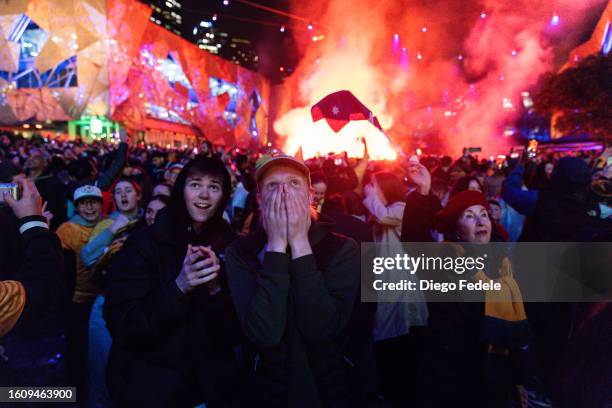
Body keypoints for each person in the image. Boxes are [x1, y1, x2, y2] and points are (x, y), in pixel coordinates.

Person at [224, 154, 361, 407]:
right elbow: (264, 333)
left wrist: (299, 243)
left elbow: (321, 329)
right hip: (266, 389)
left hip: (327, 388)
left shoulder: (342, 248)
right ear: (259, 198)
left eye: (294, 184)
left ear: (310, 196)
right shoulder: (240, 253)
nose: (284, 192)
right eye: (273, 186)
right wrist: (276, 245)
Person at [104, 156, 239, 407]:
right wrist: (179, 287)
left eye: (214, 186)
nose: (204, 195)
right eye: (196, 184)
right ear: (181, 190)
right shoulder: (144, 244)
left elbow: (234, 333)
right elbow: (123, 325)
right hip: (150, 388)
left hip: (206, 391)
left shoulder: (231, 247)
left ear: (223, 196)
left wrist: (215, 288)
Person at [403, 161, 529, 407]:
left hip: (492, 376)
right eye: (469, 217)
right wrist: (423, 192)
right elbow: (414, 240)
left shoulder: (502, 264)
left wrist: (518, 379)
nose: (480, 221)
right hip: (451, 377)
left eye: (483, 214)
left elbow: (514, 332)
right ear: (457, 230)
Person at [363, 171, 427, 405]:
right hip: (385, 282)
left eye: (374, 185)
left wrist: (370, 198)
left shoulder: (401, 208)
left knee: (401, 340)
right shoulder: (382, 210)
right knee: (386, 338)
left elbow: (385, 219)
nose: (369, 188)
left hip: (402, 283)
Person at [56, 185, 104, 402]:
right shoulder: (66, 230)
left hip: (102, 300)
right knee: (77, 351)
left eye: (93, 202)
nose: (89, 207)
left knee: (96, 354)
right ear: (76, 207)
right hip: (77, 301)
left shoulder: (108, 225)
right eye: (84, 203)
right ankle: (74, 396)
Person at [25, 147, 67, 230]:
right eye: (29, 156)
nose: (31, 159)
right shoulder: (20, 178)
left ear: (45, 162)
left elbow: (53, 208)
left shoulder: (53, 183)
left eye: (36, 157)